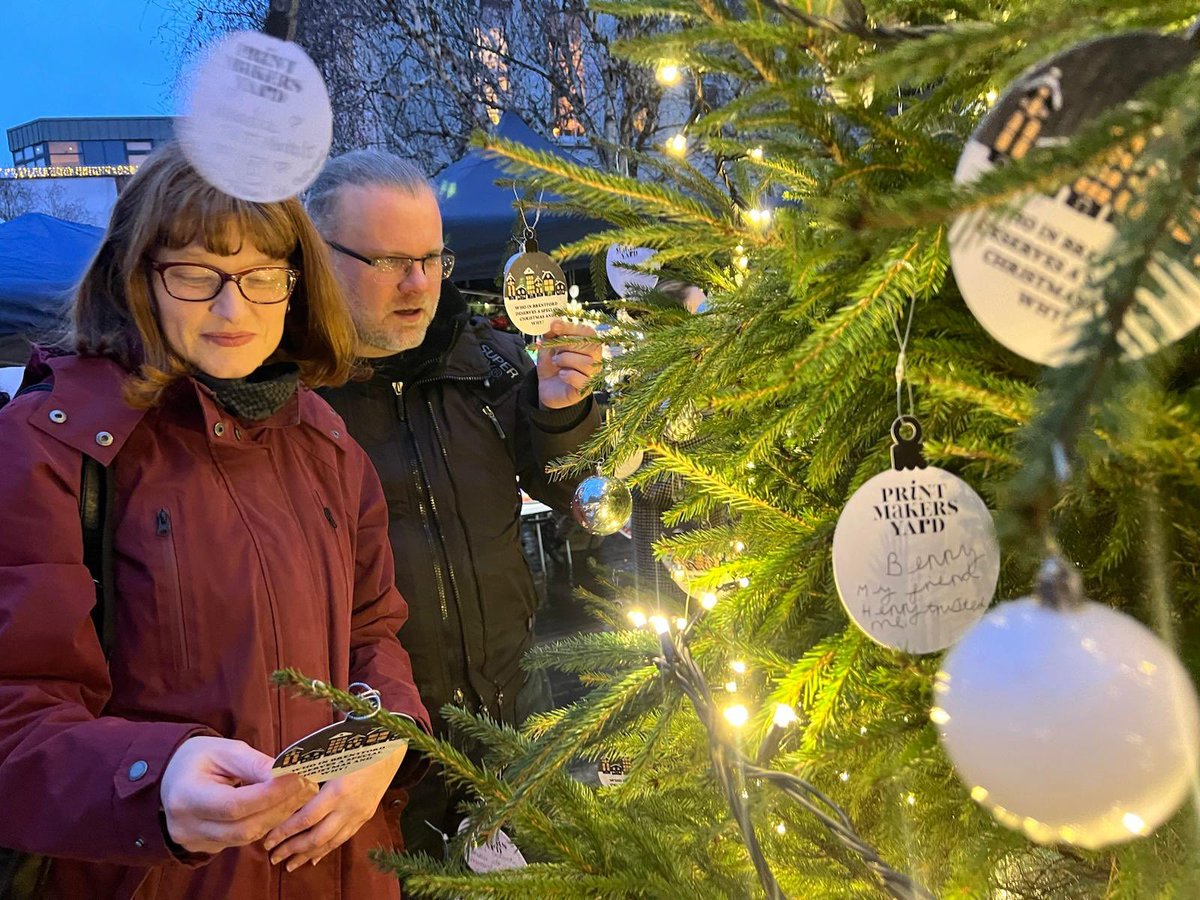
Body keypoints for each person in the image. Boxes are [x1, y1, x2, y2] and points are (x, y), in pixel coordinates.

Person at [0, 142, 429, 899]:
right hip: (151, 876)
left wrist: (386, 734)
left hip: (340, 868)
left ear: (296, 285)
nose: (235, 310)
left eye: (262, 276)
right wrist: (153, 782)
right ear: (140, 277)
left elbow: (373, 630)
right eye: (197, 274)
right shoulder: (52, 447)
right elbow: (16, 711)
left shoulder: (325, 441)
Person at [305, 150, 602, 852]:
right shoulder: (290, 399)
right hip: (374, 771)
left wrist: (561, 409)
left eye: (433, 258)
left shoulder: (485, 366)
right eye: (388, 261)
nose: (419, 283)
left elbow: (575, 491)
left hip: (513, 734)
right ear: (319, 256)